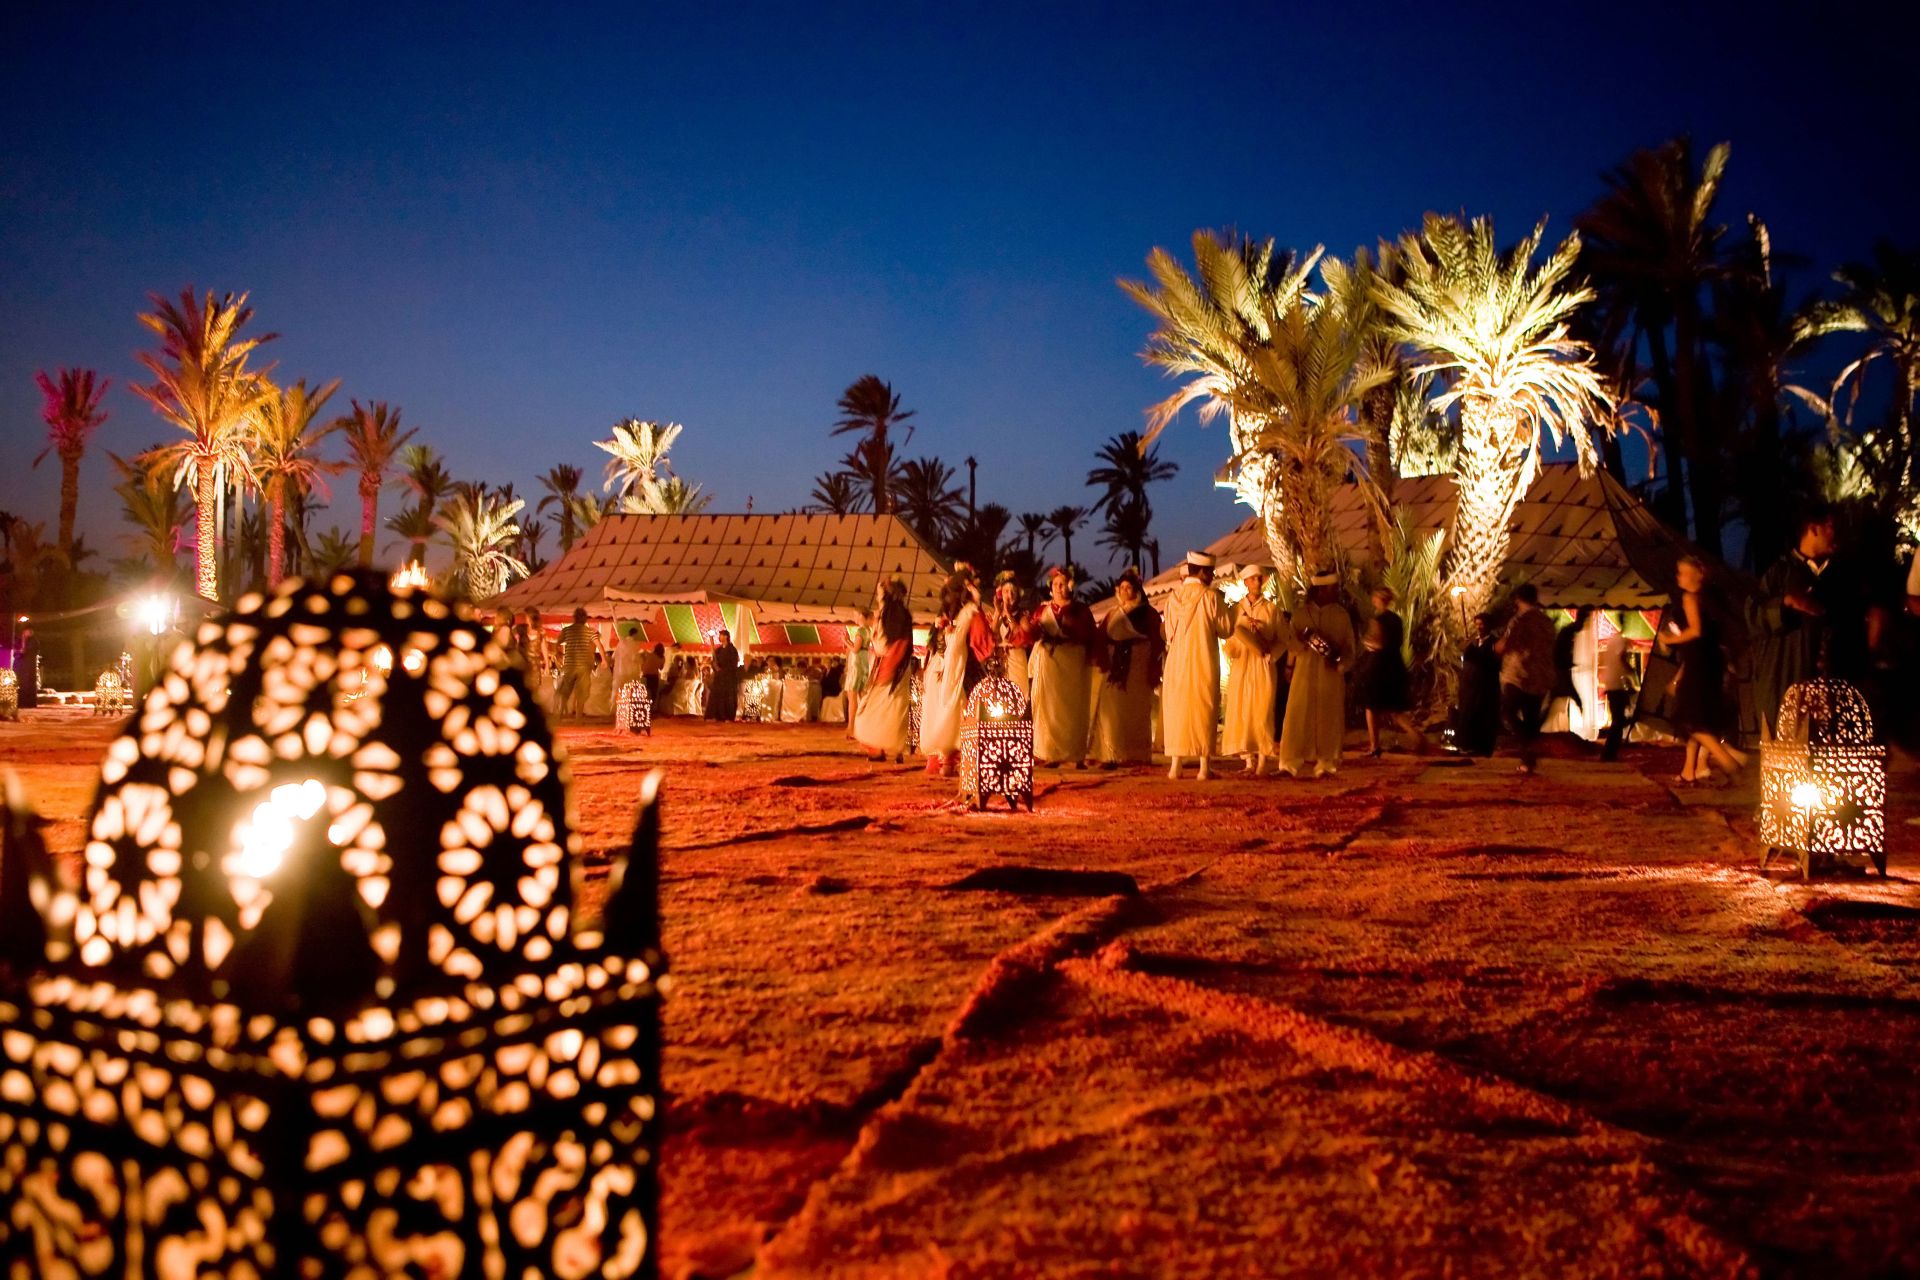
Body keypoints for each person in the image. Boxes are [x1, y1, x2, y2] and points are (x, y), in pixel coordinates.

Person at [1748, 508, 1868, 739]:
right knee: (1790, 751)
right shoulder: (1779, 574)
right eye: (1832, 526)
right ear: (1814, 529)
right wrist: (1786, 603)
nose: (1839, 533)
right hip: (1786, 681)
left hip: (1833, 687)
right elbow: (1753, 615)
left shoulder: (1843, 577)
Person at [1660, 555, 1750, 785]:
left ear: (1696, 574)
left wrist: (1669, 639)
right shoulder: (1711, 600)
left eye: (1682, 571)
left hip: (1699, 664)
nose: (1678, 576)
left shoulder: (1690, 597)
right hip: (1708, 662)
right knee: (1698, 717)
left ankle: (1728, 761)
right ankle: (1691, 770)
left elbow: (1695, 632)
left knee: (1688, 719)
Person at [1161, 552, 1232, 780]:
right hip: (1202, 661)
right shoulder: (1211, 597)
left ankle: (1176, 765)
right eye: (1210, 572)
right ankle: (1203, 767)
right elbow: (1226, 629)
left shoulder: (1173, 598)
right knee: (1204, 707)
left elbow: (1168, 633)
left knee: (1178, 709)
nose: (1211, 576)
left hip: (1176, 663)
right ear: (1202, 572)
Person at [1279, 569, 1355, 777]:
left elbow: (1349, 648)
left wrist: (1342, 665)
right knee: (1297, 716)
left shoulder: (1341, 616)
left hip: (1330, 676)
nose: (1337, 592)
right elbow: (1291, 642)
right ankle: (1290, 763)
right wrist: (1290, 665)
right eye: (1333, 588)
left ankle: (1326, 763)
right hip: (1304, 674)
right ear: (1321, 591)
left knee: (1329, 717)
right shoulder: (1301, 614)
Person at [920, 574, 994, 776]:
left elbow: (980, 639)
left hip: (960, 669)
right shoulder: (947, 615)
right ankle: (942, 759)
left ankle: (951, 760)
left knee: (959, 710)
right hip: (943, 668)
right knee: (941, 709)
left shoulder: (968, 612)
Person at [1088, 569, 1161, 767]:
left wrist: (1154, 666)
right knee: (1111, 709)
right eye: (1122, 588)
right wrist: (1100, 659)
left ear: (1136, 590)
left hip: (1138, 663)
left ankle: (1136, 754)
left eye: (1129, 588)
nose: (1124, 591)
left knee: (1136, 709)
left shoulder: (1148, 614)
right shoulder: (1112, 613)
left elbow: (1157, 640)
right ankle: (1111, 752)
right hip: (1114, 666)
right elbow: (1101, 638)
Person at [1027, 566, 1096, 767]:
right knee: (1050, 709)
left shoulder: (1081, 610)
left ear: (1070, 586)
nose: (1059, 588)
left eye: (1063, 584)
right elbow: (1031, 633)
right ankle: (1051, 752)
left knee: (1074, 709)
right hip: (1049, 663)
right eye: (1056, 584)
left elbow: (1089, 635)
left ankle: (1076, 754)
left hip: (1074, 662)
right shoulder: (1042, 610)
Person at [1221, 564, 1281, 775]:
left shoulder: (1271, 609)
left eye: (1259, 578)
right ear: (1246, 582)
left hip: (1262, 665)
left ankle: (1264, 759)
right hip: (1242, 665)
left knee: (1262, 709)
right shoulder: (1236, 610)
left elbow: (1282, 638)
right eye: (1253, 579)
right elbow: (1229, 637)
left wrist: (1271, 655)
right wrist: (1237, 646)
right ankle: (1248, 760)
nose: (1257, 582)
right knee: (1242, 710)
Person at [1357, 585, 1425, 757]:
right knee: (1395, 709)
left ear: (1379, 600)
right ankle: (1416, 736)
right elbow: (1398, 642)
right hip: (1395, 665)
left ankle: (1374, 746)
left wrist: (1366, 643)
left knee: (1371, 706)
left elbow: (1378, 642)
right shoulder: (1397, 619)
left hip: (1379, 666)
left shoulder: (1378, 620)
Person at [1495, 584, 1556, 774]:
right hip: (1541, 677)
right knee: (1531, 717)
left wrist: (1496, 647)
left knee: (1508, 713)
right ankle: (1528, 759)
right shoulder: (1546, 621)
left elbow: (1506, 645)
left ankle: (1528, 750)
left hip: (1518, 675)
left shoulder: (1519, 621)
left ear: (1518, 599)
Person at [855, 579, 915, 761]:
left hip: (892, 666)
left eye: (879, 592)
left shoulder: (893, 613)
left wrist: (889, 664)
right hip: (894, 665)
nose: (877, 596)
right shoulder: (894, 612)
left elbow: (894, 642)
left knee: (880, 707)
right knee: (893, 707)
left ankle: (885, 748)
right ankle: (892, 749)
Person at [1452, 612, 1502, 756]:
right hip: (1469, 686)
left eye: (1482, 624)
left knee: (1484, 716)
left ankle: (1483, 747)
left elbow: (1492, 662)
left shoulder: (1494, 643)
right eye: (1477, 624)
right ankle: (1467, 745)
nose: (1479, 627)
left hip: (1486, 687)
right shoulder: (1472, 642)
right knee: (1468, 714)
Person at [1595, 613, 1636, 762]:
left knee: (1618, 720)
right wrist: (1631, 672)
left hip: (1611, 683)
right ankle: (1608, 753)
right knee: (1619, 721)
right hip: (1616, 685)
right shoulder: (1621, 641)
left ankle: (1610, 752)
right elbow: (1621, 659)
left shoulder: (1612, 640)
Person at [990, 571, 1034, 694]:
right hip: (999, 663)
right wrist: (998, 613)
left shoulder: (1023, 616)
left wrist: (1008, 614)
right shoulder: (997, 616)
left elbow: (1020, 635)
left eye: (1013, 592)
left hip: (1016, 661)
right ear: (1000, 594)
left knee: (1016, 695)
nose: (1010, 595)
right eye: (1006, 591)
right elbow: (991, 636)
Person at [554, 607, 599, 718]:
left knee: (565, 691)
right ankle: (578, 717)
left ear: (574, 618)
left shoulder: (567, 630)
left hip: (570, 665)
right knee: (582, 692)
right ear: (585, 619)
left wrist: (558, 654)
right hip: (583, 665)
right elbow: (599, 645)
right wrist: (603, 659)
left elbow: (558, 643)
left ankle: (560, 714)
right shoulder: (590, 631)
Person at [842, 604, 874, 737]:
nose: (854, 618)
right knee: (861, 696)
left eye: (855, 615)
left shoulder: (860, 631)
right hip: (864, 661)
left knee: (852, 697)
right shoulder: (869, 630)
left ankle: (851, 728)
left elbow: (855, 649)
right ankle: (862, 727)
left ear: (861, 616)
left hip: (857, 664)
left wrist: (846, 641)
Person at [706, 629, 740, 720]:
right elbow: (713, 660)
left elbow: (733, 664)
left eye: (721, 635)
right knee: (716, 696)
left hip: (728, 678)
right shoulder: (718, 650)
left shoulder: (732, 650)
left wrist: (723, 670)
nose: (719, 637)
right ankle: (716, 716)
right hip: (719, 678)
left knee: (727, 697)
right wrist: (715, 666)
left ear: (726, 637)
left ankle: (727, 717)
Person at [611, 624, 647, 694]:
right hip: (630, 672)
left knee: (618, 692)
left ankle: (615, 704)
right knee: (629, 692)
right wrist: (642, 659)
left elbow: (614, 656)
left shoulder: (621, 642)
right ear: (635, 634)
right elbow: (634, 658)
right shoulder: (634, 644)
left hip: (619, 671)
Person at [585, 650, 614, 719]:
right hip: (602, 688)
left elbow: (601, 679)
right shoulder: (601, 667)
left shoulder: (603, 666)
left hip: (602, 688)